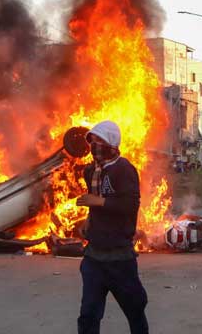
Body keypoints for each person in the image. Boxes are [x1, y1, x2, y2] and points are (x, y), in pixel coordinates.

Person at [76, 121, 149, 334]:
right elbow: (96, 206)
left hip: (120, 259)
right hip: (94, 258)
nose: (94, 145)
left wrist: (98, 202)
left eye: (99, 140)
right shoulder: (91, 172)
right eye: (92, 141)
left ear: (111, 143)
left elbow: (130, 206)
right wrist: (89, 221)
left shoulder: (124, 169)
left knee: (135, 310)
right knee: (88, 315)